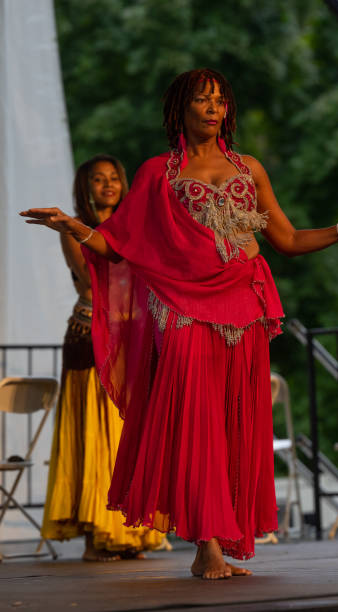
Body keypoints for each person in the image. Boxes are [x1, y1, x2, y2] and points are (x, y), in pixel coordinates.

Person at [21, 69, 338, 578]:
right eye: (202, 99)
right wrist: (75, 226)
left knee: (235, 422)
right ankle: (206, 545)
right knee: (197, 423)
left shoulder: (251, 168)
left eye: (220, 100)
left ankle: (228, 536)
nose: (214, 108)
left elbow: (286, 240)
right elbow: (118, 245)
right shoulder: (157, 173)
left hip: (244, 306)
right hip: (181, 306)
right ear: (181, 109)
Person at [40, 154, 165, 561]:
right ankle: (98, 536)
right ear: (85, 186)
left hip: (131, 338)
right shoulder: (75, 229)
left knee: (127, 435)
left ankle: (133, 534)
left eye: (114, 178)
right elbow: (95, 277)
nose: (108, 185)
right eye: (98, 179)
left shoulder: (136, 225)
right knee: (96, 436)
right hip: (91, 335)